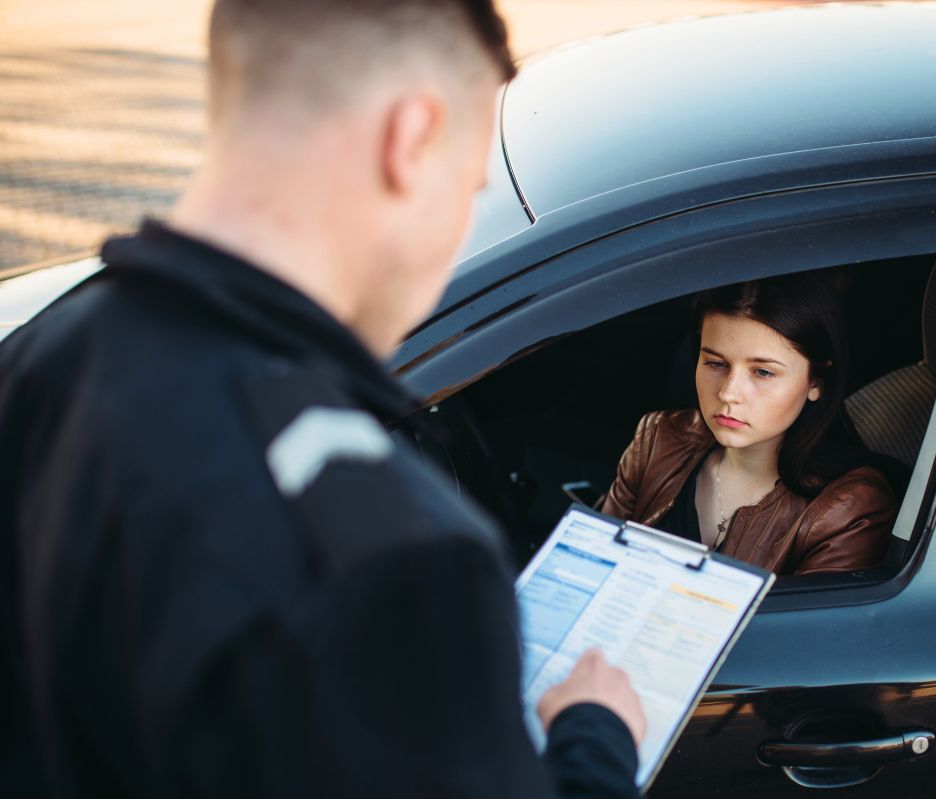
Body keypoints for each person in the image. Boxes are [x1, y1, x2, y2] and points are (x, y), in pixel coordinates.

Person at [0, 1, 644, 797]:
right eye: (470, 188)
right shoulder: (401, 561)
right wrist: (594, 742)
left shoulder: (40, 354)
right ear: (411, 138)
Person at [601, 272, 897, 575]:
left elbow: (802, 623)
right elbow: (591, 564)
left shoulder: (849, 508)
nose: (728, 393)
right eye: (716, 364)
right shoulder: (659, 440)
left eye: (763, 373)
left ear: (816, 382)